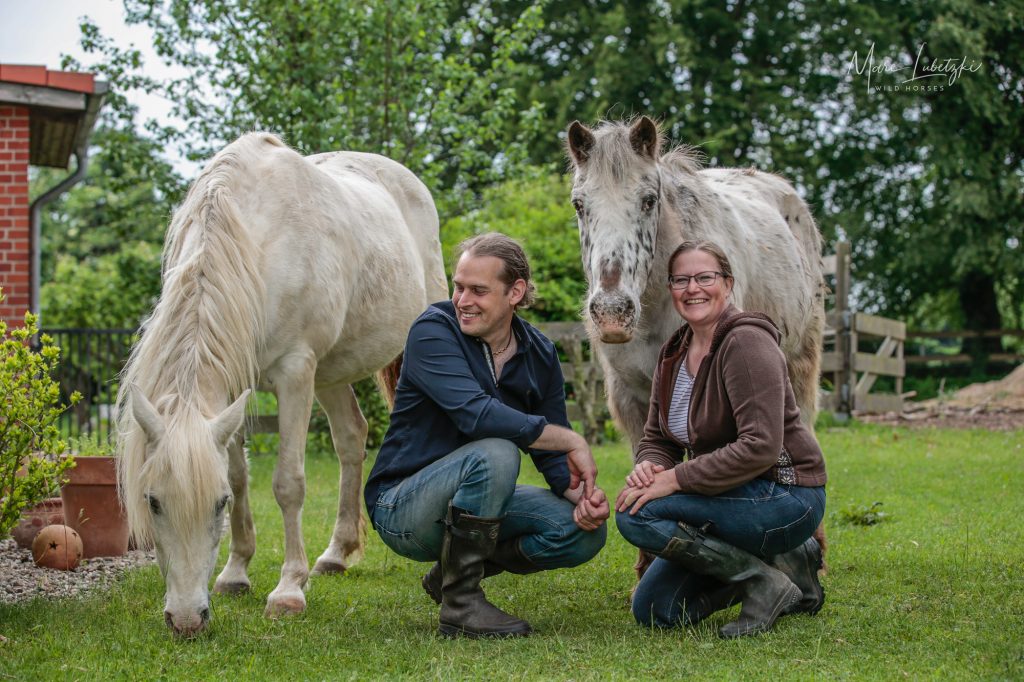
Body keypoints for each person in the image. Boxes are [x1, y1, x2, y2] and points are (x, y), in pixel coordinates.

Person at [365, 232, 609, 639]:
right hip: (403, 505)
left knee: (581, 533)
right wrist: (572, 440)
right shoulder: (433, 330)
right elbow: (476, 416)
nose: (462, 300)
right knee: (496, 451)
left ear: (515, 292)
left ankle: (450, 570)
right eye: (459, 287)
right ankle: (460, 604)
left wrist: (577, 494)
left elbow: (547, 451)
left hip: (477, 502)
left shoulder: (540, 353)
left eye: (478, 290)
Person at [614, 240, 827, 639]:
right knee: (657, 611)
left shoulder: (746, 342)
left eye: (704, 277)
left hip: (784, 494)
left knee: (636, 515)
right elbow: (658, 437)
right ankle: (788, 567)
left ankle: (762, 583)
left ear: (727, 284)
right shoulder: (674, 352)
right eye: (681, 280)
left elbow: (760, 446)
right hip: (730, 494)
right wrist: (651, 465)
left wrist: (674, 480)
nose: (692, 288)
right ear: (671, 288)